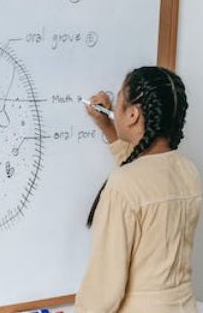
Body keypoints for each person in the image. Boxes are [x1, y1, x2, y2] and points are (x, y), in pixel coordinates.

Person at [75, 66, 202, 312]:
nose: (114, 108)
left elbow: (103, 290)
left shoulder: (124, 185)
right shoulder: (188, 171)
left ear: (133, 115)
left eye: (119, 100)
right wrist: (108, 127)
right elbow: (145, 172)